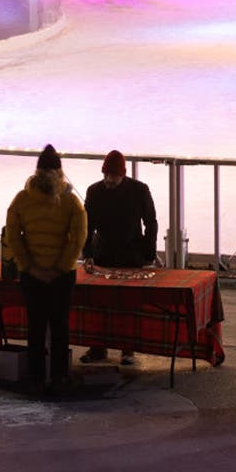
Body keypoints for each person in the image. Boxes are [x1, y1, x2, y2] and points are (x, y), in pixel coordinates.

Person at [3, 145, 86, 395]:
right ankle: (60, 377)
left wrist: (28, 266)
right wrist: (61, 267)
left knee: (36, 327)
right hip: (62, 276)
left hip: (32, 275)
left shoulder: (22, 199)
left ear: (37, 171)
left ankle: (36, 378)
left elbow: (12, 236)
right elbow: (78, 238)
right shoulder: (71, 201)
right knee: (60, 326)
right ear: (60, 172)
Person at [81, 151, 158, 366]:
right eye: (106, 175)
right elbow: (87, 226)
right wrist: (86, 254)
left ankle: (128, 350)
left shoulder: (139, 190)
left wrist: (148, 254)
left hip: (131, 253)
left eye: (113, 176)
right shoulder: (94, 191)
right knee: (98, 303)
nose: (108, 180)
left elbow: (151, 223)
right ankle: (97, 347)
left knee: (128, 305)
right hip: (102, 253)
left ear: (123, 174)